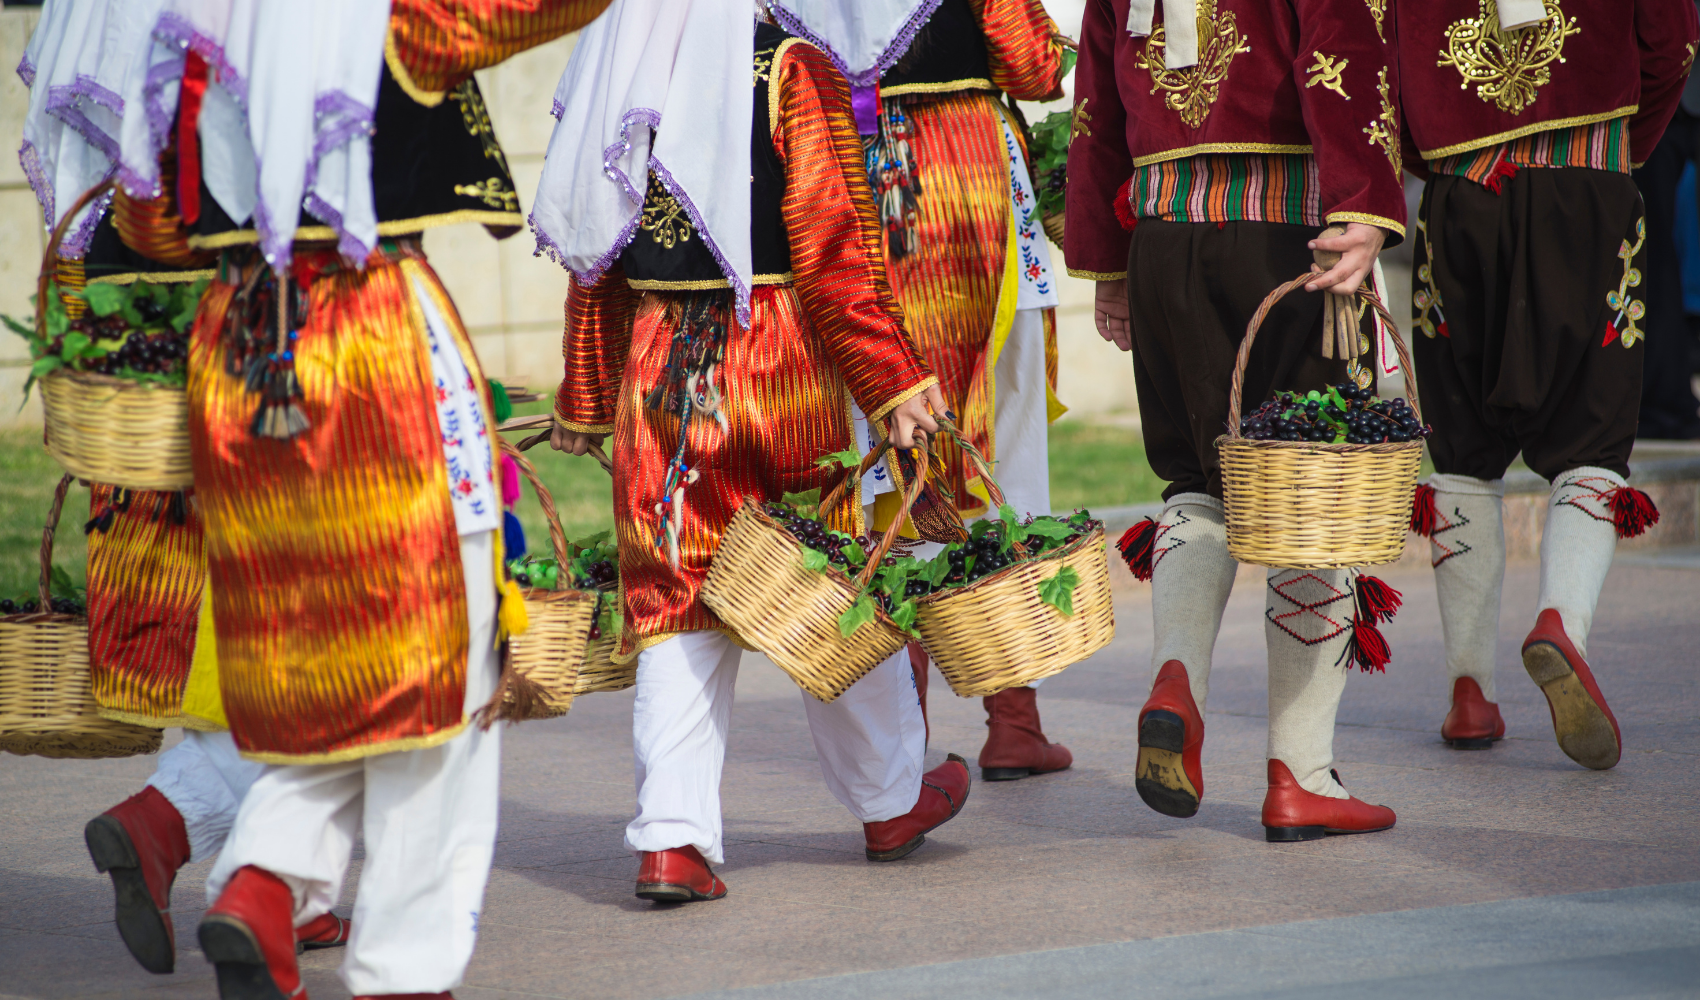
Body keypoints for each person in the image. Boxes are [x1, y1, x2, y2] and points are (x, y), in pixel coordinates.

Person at [81, 2, 618, 998]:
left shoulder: (186, 31)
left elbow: (148, 218)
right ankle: (392, 961)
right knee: (442, 673)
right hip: (368, 340)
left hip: (238, 351)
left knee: (323, 656)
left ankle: (264, 880)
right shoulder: (390, 20)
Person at [538, 0, 970, 903]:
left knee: (674, 596)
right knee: (828, 577)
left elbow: (595, 252)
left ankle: (672, 839)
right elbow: (832, 248)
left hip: (661, 366)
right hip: (777, 360)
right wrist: (891, 378)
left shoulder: (610, 66)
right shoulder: (786, 65)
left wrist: (587, 393)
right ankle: (891, 801)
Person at [16, 12, 353, 974]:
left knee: (214, 635)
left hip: (137, 360)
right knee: (307, 638)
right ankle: (241, 867)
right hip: (246, 335)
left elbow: (87, 189)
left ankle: (255, 870)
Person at [1066, 0, 1406, 840]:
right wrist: (1363, 198)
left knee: (1195, 479)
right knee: (1311, 495)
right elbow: (1339, 40)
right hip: (1284, 232)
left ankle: (1178, 677)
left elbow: (1095, 103)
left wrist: (1109, 263)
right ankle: (1303, 775)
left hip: (1163, 240)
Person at [772, 0, 1075, 782]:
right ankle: (1014, 712)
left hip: (847, 182)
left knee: (883, 444)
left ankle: (906, 728)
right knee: (1000, 442)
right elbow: (1034, 64)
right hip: (967, 180)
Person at [1399, 0, 1697, 767]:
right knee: (1592, 441)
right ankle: (1561, 621)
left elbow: (1378, 47)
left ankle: (1469, 692)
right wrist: (1620, 148)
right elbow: (1673, 39)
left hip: (1460, 197)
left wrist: (1431, 148)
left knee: (1461, 455)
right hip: (1585, 185)